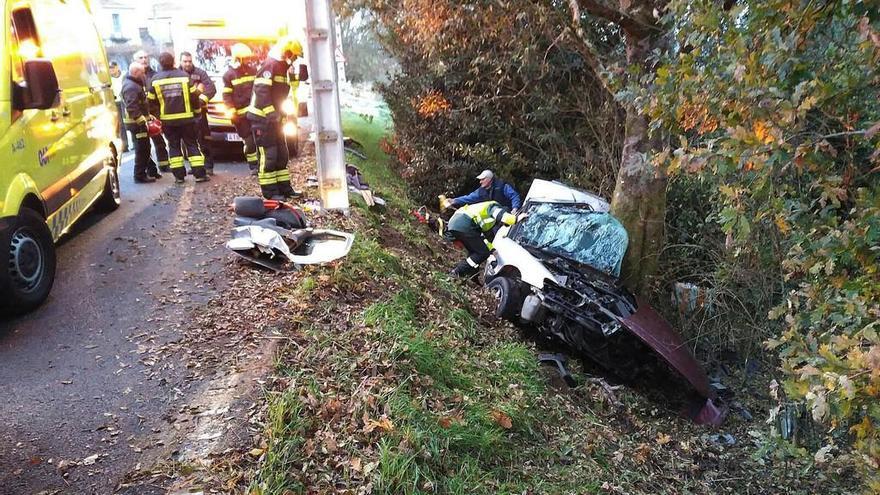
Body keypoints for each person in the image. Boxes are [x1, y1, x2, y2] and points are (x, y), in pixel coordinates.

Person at [247, 37, 302, 199]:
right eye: (294, 56)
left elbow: (286, 91)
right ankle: (270, 193)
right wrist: (271, 113)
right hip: (262, 120)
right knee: (269, 156)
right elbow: (261, 92)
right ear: (287, 52)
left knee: (282, 154)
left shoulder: (282, 68)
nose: (295, 59)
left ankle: (284, 189)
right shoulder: (270, 66)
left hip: (275, 119)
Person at [147, 52, 208, 184]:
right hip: (187, 119)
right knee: (192, 145)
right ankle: (199, 175)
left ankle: (179, 177)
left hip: (167, 121)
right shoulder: (184, 77)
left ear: (160, 63)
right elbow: (194, 98)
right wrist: (197, 113)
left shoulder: (155, 80)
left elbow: (151, 102)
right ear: (174, 62)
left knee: (173, 147)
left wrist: (158, 117)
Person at [444, 200, 518, 277]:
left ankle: (472, 276)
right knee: (483, 253)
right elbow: (502, 215)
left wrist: (492, 250)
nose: (501, 224)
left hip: (457, 222)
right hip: (465, 222)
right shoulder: (495, 207)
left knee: (475, 251)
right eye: (503, 223)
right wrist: (516, 219)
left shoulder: (488, 220)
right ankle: (457, 272)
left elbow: (482, 238)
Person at [121, 63, 162, 183]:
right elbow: (132, 107)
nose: (144, 75)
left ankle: (151, 171)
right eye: (142, 72)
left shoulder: (134, 84)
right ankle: (139, 175)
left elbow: (140, 106)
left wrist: (149, 117)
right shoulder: (131, 87)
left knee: (144, 147)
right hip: (136, 125)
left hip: (138, 123)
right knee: (143, 149)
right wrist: (142, 122)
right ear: (135, 72)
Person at [223, 43, 259, 176]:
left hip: (255, 114)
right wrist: (232, 113)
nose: (249, 61)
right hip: (241, 117)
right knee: (249, 143)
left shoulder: (253, 71)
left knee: (258, 140)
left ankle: (260, 164)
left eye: (249, 58)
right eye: (246, 58)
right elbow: (227, 96)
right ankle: (253, 165)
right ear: (238, 59)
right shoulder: (229, 75)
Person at [180, 51, 217, 175]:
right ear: (180, 62)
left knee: (204, 139)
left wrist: (200, 100)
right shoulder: (177, 75)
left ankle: (208, 167)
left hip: (200, 114)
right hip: (185, 114)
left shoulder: (200, 73)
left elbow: (211, 89)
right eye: (185, 61)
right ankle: (197, 167)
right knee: (190, 142)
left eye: (190, 61)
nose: (188, 64)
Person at [133, 49, 170, 172]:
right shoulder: (131, 77)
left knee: (159, 141)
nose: (144, 60)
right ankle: (150, 169)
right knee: (143, 146)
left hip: (153, 114)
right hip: (139, 117)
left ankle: (164, 164)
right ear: (135, 60)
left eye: (145, 57)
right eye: (141, 58)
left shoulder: (155, 74)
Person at [445, 170, 522, 212]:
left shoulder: (502, 186)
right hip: (495, 217)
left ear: (489, 179)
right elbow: (469, 198)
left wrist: (515, 208)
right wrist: (454, 201)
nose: (480, 182)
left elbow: (514, 196)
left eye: (482, 179)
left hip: (509, 212)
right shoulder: (481, 191)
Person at [109, 62, 129, 153]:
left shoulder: (124, 75)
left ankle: (134, 142)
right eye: (110, 68)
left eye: (113, 68)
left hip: (124, 101)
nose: (111, 70)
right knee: (120, 125)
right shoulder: (109, 79)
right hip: (115, 102)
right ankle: (124, 145)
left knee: (128, 122)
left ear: (117, 67)